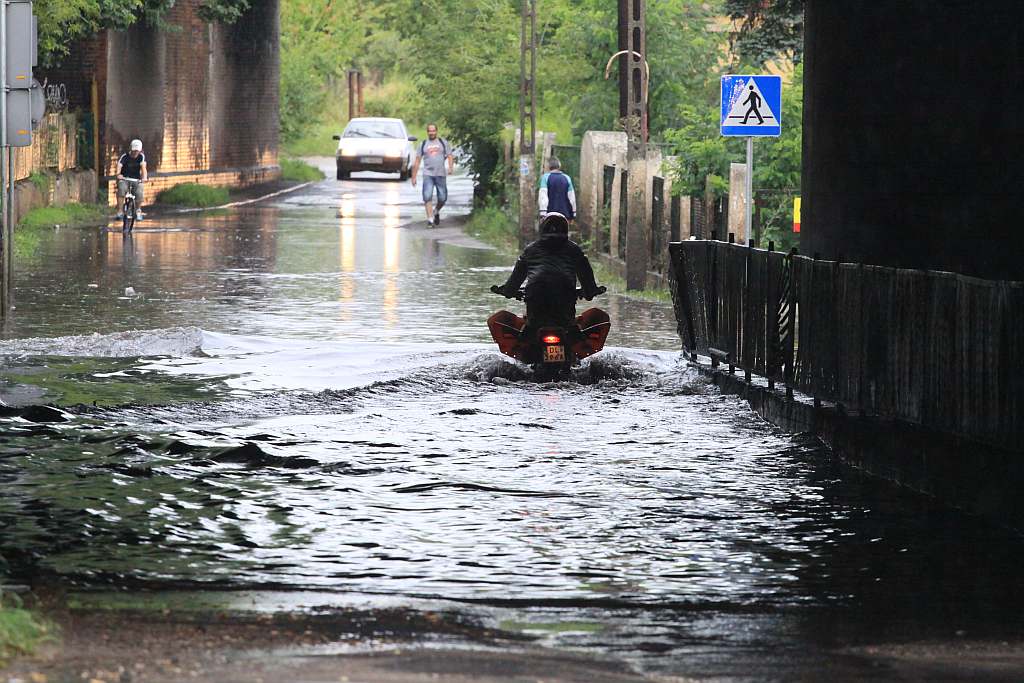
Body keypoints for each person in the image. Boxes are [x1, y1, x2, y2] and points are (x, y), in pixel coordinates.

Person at [493, 212, 603, 325]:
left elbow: (513, 284)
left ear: (541, 230)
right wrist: (590, 292)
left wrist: (507, 291)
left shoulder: (530, 251)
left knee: (526, 330)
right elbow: (589, 285)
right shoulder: (575, 250)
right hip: (565, 305)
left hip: (535, 304)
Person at [410, 123, 454, 227]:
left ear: (436, 131)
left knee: (443, 198)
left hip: (440, 174)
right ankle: (430, 220)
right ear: (427, 132)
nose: (432, 133)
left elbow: (450, 155)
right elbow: (417, 161)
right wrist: (414, 176)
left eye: (433, 131)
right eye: (430, 131)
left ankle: (436, 211)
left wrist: (451, 167)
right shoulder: (423, 144)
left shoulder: (443, 143)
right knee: (427, 196)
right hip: (428, 174)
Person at [116, 139, 148, 221]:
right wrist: (119, 174)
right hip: (125, 179)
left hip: (136, 180)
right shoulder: (124, 157)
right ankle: (120, 211)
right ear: (131, 149)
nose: (135, 153)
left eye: (137, 151)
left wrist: (144, 178)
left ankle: (138, 210)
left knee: (139, 191)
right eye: (134, 150)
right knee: (121, 189)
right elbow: (119, 166)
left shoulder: (141, 157)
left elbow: (143, 168)